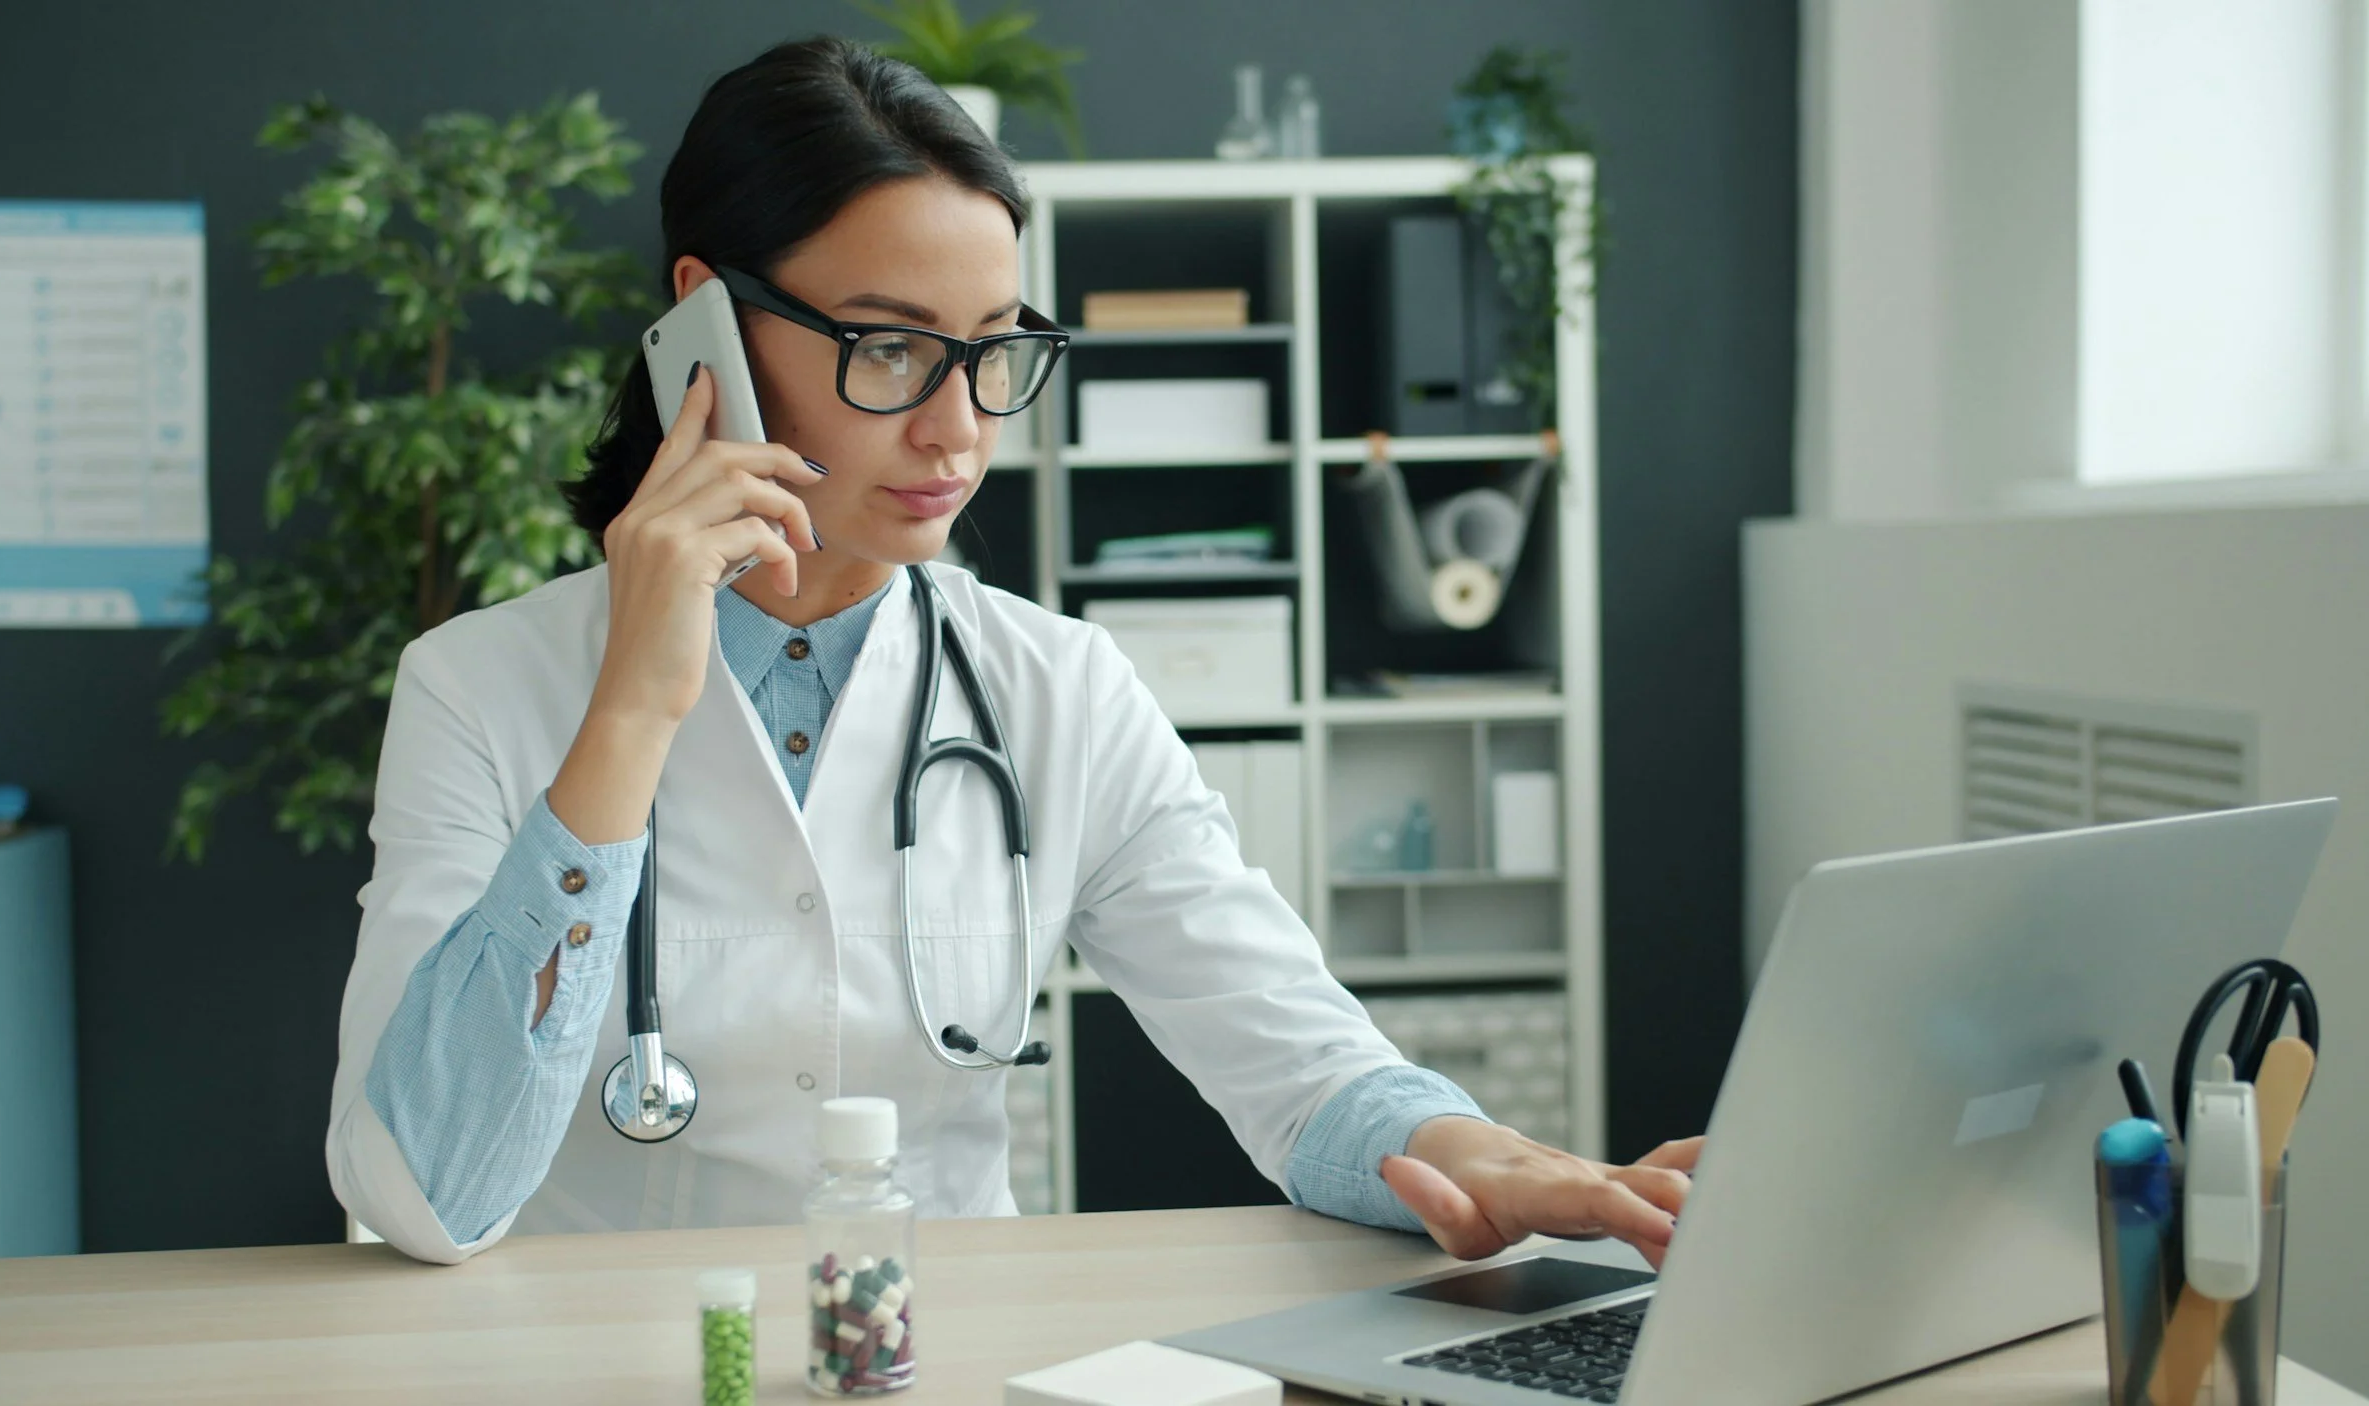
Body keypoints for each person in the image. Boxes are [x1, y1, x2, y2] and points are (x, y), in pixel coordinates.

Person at [327, 36, 1699, 1268]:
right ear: (708, 319)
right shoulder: (481, 687)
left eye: (993, 352)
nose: (959, 428)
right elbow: (427, 1194)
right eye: (888, 348)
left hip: (942, 1359)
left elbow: (1287, 1043)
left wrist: (1488, 1159)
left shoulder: (1058, 689)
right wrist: (627, 713)